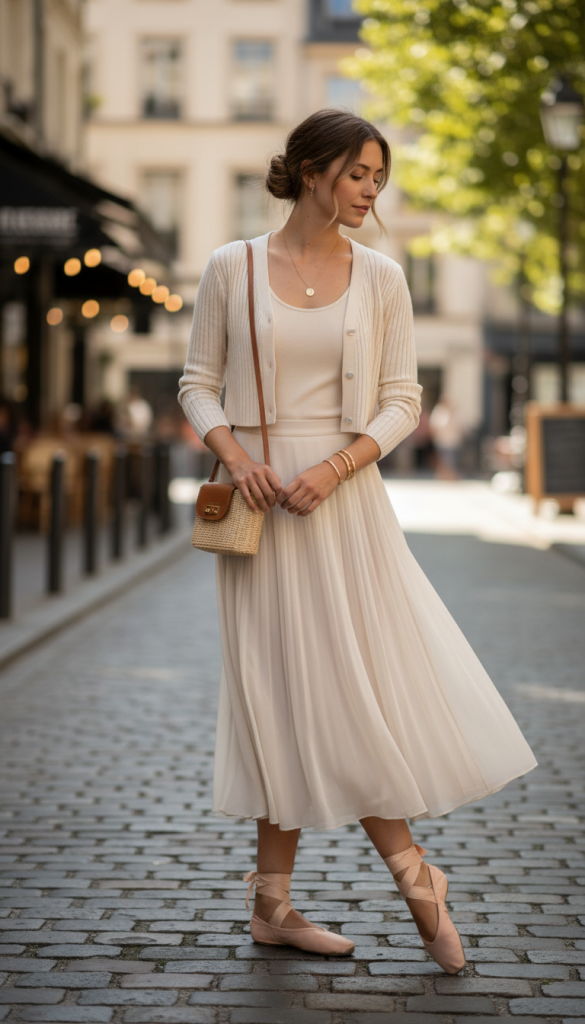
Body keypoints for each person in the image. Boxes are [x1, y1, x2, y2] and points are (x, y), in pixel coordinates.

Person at [178, 109, 536, 972]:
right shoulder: (233, 266)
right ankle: (289, 904)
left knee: (344, 689)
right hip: (260, 512)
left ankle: (410, 877)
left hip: (344, 505)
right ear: (310, 171)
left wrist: (335, 469)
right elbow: (198, 383)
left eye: (379, 177)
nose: (371, 191)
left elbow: (401, 399)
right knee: (276, 694)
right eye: (357, 174)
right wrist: (238, 456)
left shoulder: (381, 276)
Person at [429, 396, 464, 479]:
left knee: (450, 459)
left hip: (452, 441)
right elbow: (437, 425)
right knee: (446, 460)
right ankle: (445, 476)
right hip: (443, 441)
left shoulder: (452, 413)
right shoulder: (440, 412)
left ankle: (447, 475)